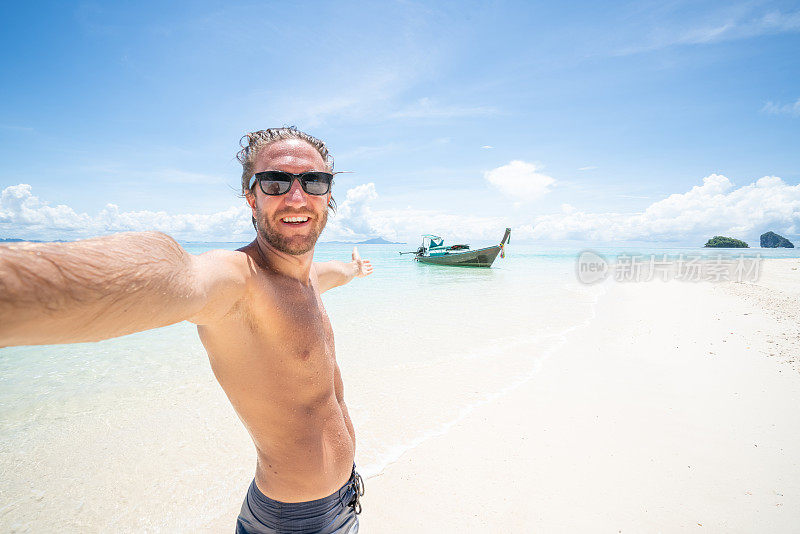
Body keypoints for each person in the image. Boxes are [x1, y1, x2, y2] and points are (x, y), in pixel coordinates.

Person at [0, 127, 373, 533]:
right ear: (252, 198)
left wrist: (356, 269)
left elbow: (334, 273)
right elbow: (178, 275)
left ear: (328, 196)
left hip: (345, 499)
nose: (296, 196)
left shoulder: (310, 277)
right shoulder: (240, 281)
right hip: (293, 522)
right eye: (275, 181)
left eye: (314, 181)